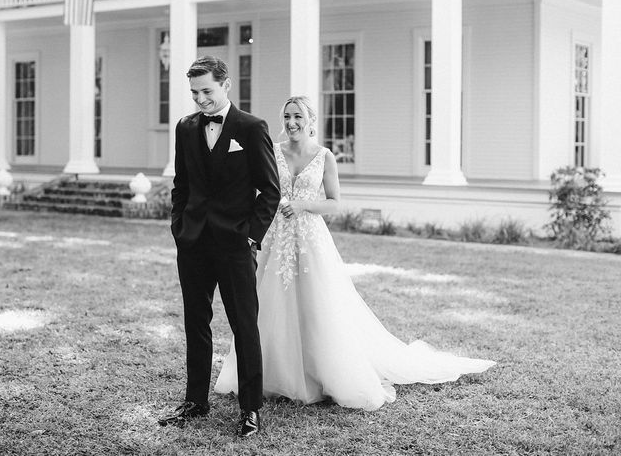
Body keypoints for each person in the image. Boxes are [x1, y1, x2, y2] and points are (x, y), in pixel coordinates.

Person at [215, 95, 495, 411]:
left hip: (309, 238)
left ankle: (321, 372)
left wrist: (304, 205)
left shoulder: (324, 157)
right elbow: (260, 189)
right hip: (275, 237)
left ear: (310, 121)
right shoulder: (273, 152)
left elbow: (335, 202)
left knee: (317, 306)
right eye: (287, 117)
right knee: (268, 304)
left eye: (298, 117)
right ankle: (270, 374)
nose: (292, 123)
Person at [159, 56, 280, 437]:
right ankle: (195, 401)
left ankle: (250, 409)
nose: (201, 100)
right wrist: (179, 225)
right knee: (196, 322)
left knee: (244, 325)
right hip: (192, 241)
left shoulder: (251, 127)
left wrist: (250, 236)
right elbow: (182, 184)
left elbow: (270, 191)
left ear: (226, 85)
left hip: (233, 244)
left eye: (207, 91)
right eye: (195, 93)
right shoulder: (185, 127)